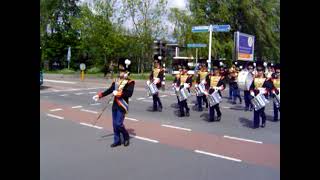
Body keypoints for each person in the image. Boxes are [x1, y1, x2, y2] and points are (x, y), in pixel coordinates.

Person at [92, 58, 135, 147]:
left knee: (119, 123)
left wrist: (120, 93)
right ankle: (117, 140)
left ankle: (126, 136)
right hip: (115, 105)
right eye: (120, 72)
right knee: (114, 124)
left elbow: (129, 93)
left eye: (123, 72)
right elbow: (110, 90)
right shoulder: (116, 81)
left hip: (122, 105)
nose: (120, 73)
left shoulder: (130, 82)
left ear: (127, 72)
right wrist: (99, 96)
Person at [249, 61, 269, 128]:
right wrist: (251, 91)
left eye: (260, 70)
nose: (259, 72)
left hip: (262, 97)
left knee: (261, 111)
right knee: (256, 110)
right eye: (258, 70)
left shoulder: (266, 79)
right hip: (255, 96)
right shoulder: (255, 79)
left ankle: (263, 119)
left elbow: (269, 87)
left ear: (263, 71)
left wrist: (264, 91)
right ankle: (256, 124)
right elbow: (251, 87)